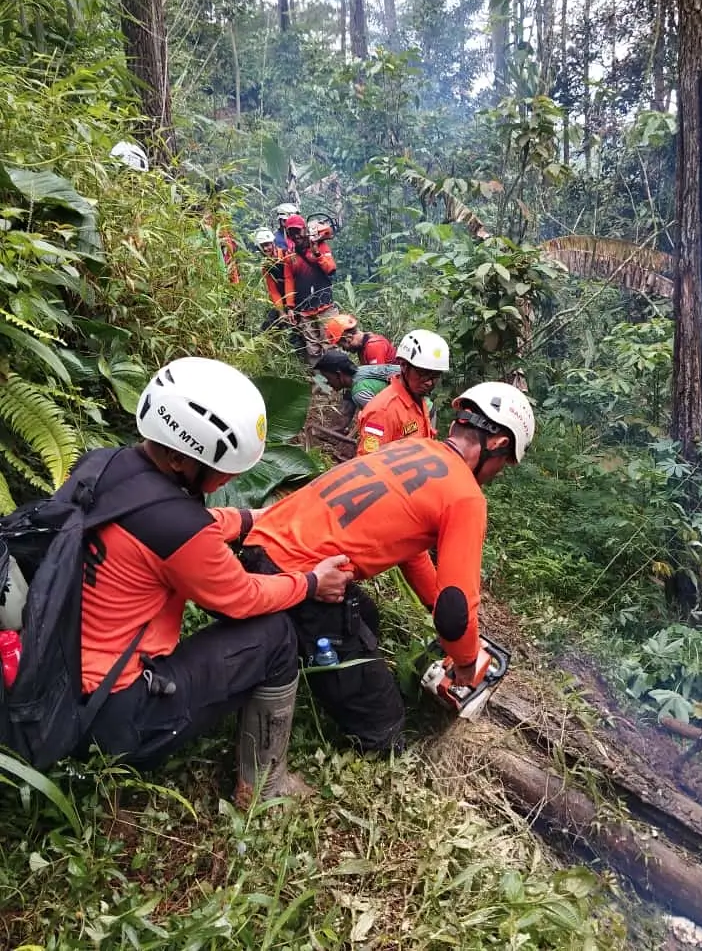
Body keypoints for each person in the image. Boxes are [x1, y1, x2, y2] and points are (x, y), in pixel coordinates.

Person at [80, 357, 352, 807]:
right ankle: (263, 784)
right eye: (224, 464)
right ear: (179, 458)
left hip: (64, 676)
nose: (235, 476)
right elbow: (240, 598)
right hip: (113, 715)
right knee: (277, 637)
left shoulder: (105, 467)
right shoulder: (179, 530)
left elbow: (171, 519)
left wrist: (251, 519)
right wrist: (310, 582)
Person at [218, 382, 535, 752]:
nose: (497, 472)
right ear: (497, 445)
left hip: (261, 550)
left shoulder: (412, 447)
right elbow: (456, 613)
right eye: (503, 464)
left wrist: (432, 601)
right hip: (300, 579)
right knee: (384, 723)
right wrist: (466, 661)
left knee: (365, 615)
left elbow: (412, 553)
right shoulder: (465, 496)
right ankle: (372, 733)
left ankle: (314, 667)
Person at [357, 329, 449, 455]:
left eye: (435, 376)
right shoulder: (383, 411)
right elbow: (369, 465)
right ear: (404, 366)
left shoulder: (418, 400)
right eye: (422, 373)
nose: (429, 382)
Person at [282, 214, 339, 364]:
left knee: (330, 347)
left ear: (304, 230)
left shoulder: (320, 246)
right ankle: (319, 385)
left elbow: (331, 268)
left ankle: (337, 383)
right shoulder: (290, 256)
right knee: (312, 351)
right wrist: (289, 307)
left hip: (325, 306)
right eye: (291, 232)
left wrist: (317, 253)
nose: (295, 235)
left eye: (298, 231)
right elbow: (289, 281)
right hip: (305, 310)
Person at [314, 350, 400, 430]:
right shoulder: (361, 371)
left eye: (328, 378)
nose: (327, 382)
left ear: (339, 374)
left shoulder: (359, 393)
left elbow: (383, 420)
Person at [324, 314, 397, 366]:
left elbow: (378, 379)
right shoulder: (362, 348)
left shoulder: (373, 346)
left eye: (342, 345)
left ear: (349, 338)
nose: (344, 349)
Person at [253, 228, 286, 312]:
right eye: (262, 246)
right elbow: (273, 291)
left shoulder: (285, 255)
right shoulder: (266, 266)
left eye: (267, 245)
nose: (265, 249)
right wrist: (281, 312)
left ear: (273, 243)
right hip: (282, 299)